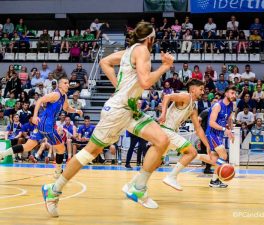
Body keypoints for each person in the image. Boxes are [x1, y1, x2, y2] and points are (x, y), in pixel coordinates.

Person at [41, 21, 174, 216]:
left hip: (129, 108)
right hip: (118, 110)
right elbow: (146, 82)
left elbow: (104, 62)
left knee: (162, 140)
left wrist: (119, 86)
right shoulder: (143, 51)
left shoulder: (130, 51)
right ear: (150, 39)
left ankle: (138, 187)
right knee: (89, 153)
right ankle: (53, 190)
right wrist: (164, 67)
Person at [0, 77, 83, 177]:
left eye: (68, 83)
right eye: (65, 83)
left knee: (28, 146)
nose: (68, 85)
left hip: (43, 124)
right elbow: (39, 100)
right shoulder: (55, 94)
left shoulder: (64, 96)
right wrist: (34, 116)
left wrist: (76, 111)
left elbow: (66, 108)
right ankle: (57, 172)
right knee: (61, 149)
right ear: (59, 85)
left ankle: (3, 154)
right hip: (47, 125)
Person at [159, 79, 210, 190]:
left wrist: (207, 145)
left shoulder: (193, 107)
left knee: (155, 163)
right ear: (193, 89)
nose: (203, 92)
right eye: (201, 89)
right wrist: (163, 114)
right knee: (191, 152)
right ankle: (171, 177)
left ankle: (135, 184)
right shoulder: (186, 96)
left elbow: (198, 129)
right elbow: (167, 96)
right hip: (166, 130)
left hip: (169, 132)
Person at [198, 86, 236, 188]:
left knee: (214, 160)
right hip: (212, 133)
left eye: (235, 93)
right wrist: (225, 130)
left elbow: (228, 119)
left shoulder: (231, 105)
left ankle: (194, 155)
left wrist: (230, 130)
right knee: (223, 156)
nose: (234, 95)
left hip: (219, 134)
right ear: (226, 93)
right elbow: (211, 123)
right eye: (232, 93)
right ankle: (215, 180)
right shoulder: (217, 106)